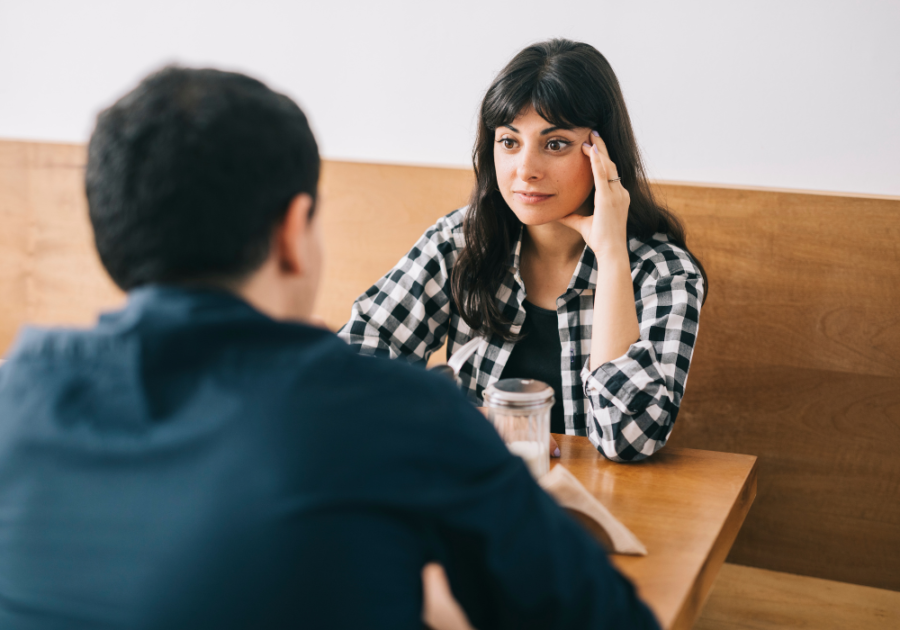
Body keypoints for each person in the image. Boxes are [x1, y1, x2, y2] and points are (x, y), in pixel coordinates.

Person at [0, 67, 659, 629]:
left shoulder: (16, 392)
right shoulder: (407, 414)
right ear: (295, 231)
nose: (526, 165)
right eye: (510, 141)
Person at [340, 39, 706, 462]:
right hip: (473, 496)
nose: (526, 170)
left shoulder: (665, 274)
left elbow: (627, 439)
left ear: (603, 154)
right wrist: (465, 418)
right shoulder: (461, 241)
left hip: (598, 514)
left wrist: (611, 256)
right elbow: (349, 366)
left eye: (555, 144)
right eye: (509, 142)